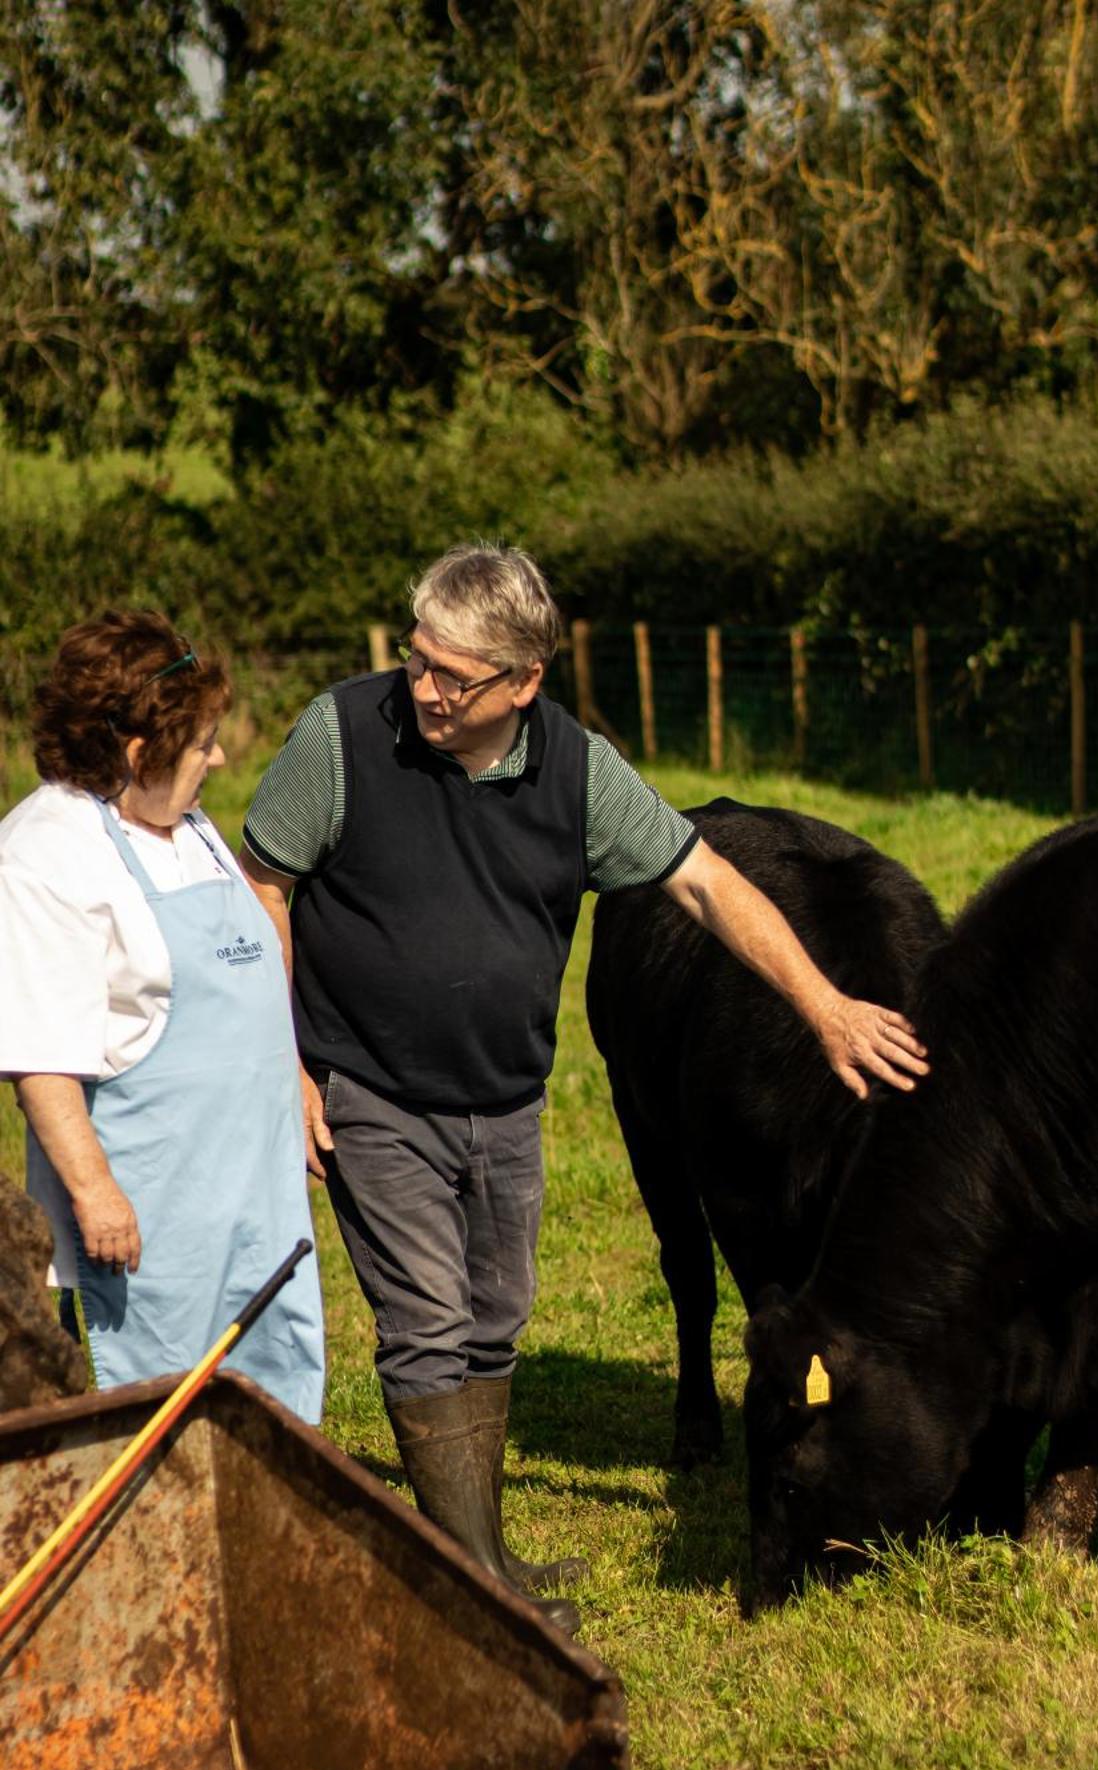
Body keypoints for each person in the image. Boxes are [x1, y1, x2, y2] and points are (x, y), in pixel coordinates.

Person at [239, 544, 926, 1633]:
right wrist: (283, 1063)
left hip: (506, 1096)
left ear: (523, 682)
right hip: (373, 1083)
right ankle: (470, 1592)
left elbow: (702, 880)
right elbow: (264, 885)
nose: (424, 688)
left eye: (454, 676)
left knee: (496, 1317)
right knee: (426, 1322)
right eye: (420, 659)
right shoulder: (340, 736)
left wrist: (824, 1004)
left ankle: (486, 1550)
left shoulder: (574, 766)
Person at [0, 611, 324, 1422]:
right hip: (156, 1213)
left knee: (272, 1376)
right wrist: (95, 1193)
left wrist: (291, 1081)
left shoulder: (185, 824)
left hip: (255, 1188)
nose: (219, 757)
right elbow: (40, 1054)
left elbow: (246, 980)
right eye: (203, 741)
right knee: (162, 1406)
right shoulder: (46, 852)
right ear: (137, 751)